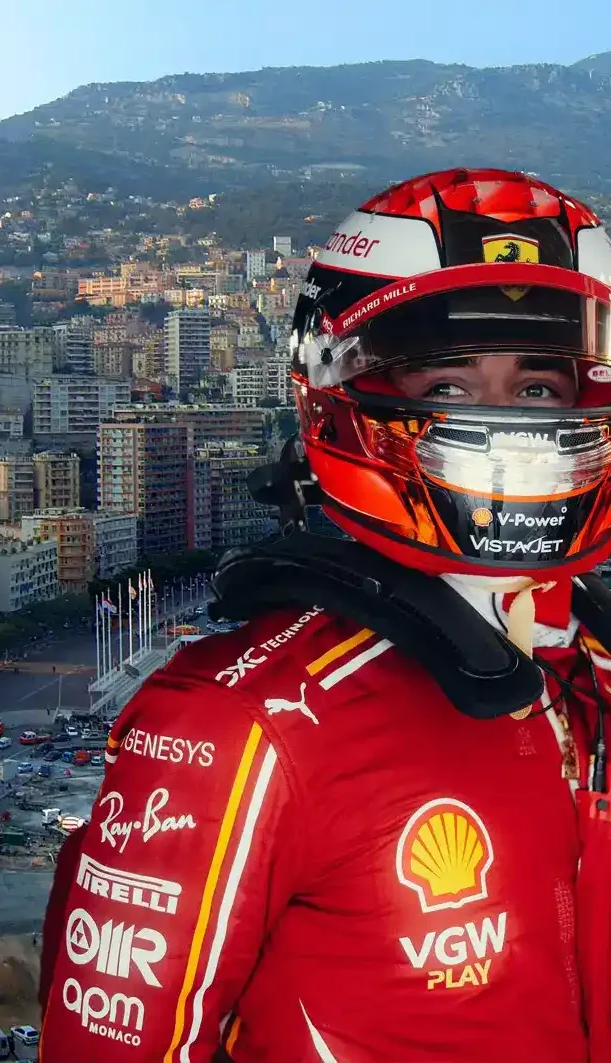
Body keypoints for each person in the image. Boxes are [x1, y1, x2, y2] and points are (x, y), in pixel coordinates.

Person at [37, 168, 611, 1062]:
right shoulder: (241, 722)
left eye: (538, 389)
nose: (508, 428)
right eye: (450, 386)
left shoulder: (595, 664)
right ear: (341, 396)